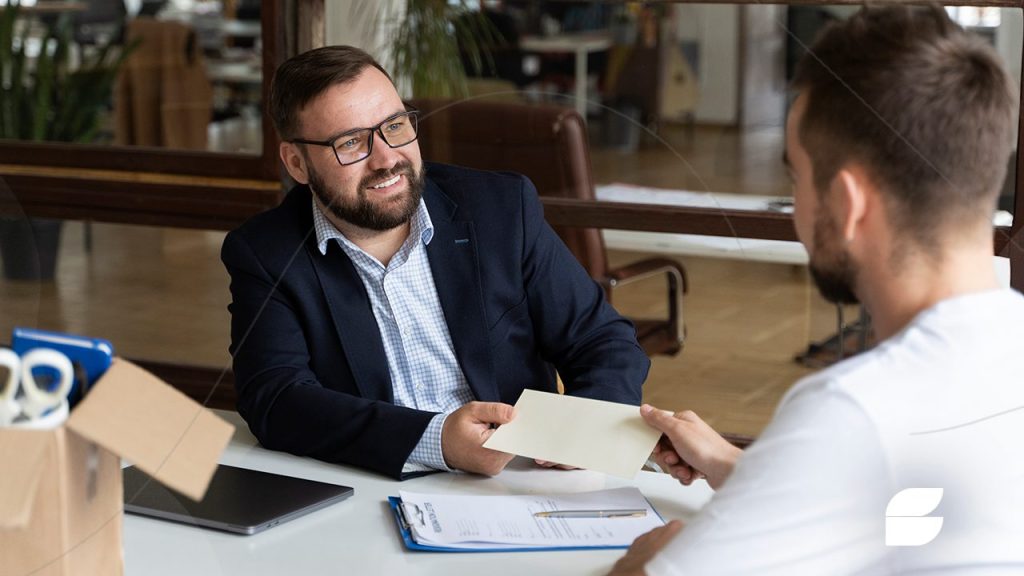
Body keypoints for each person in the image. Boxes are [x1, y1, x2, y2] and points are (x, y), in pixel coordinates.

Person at [611, 5, 1024, 574]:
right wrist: (748, 468)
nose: (797, 208)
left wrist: (649, 558)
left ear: (849, 205)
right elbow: (922, 509)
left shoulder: (854, 408)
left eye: (797, 179)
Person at [221, 46, 649, 480]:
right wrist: (435, 439)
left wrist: (578, 428)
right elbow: (275, 399)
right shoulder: (266, 252)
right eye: (351, 142)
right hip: (372, 484)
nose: (387, 158)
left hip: (515, 480)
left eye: (395, 126)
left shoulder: (499, 209)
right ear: (297, 162)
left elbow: (601, 339)